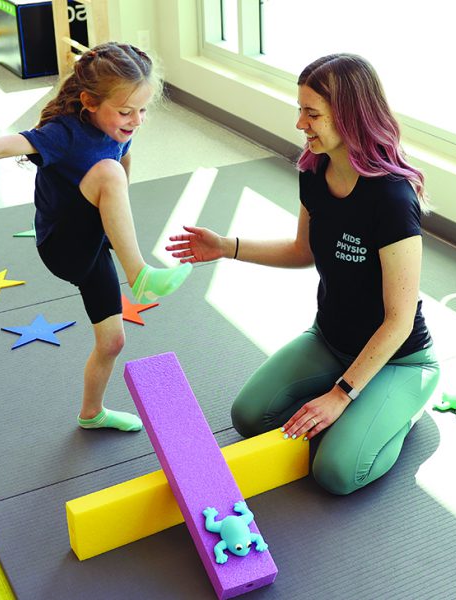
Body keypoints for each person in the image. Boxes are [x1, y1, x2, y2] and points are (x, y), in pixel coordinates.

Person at [166, 53, 440, 495]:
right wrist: (225, 248)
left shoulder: (391, 198)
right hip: (329, 341)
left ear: (350, 117)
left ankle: (404, 408)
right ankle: (363, 408)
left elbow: (399, 320)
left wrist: (340, 395)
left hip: (398, 359)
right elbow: (302, 251)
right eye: (300, 110)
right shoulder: (314, 171)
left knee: (335, 472)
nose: (300, 124)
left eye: (312, 114)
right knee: (249, 417)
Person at [0, 42, 192, 433]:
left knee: (112, 341)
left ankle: (91, 413)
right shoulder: (62, 133)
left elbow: (123, 163)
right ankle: (140, 274)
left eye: (143, 110)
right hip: (63, 245)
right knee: (109, 173)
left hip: (93, 240)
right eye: (125, 111)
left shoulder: (118, 128)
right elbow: (1, 145)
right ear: (89, 101)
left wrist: (117, 215)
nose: (136, 120)